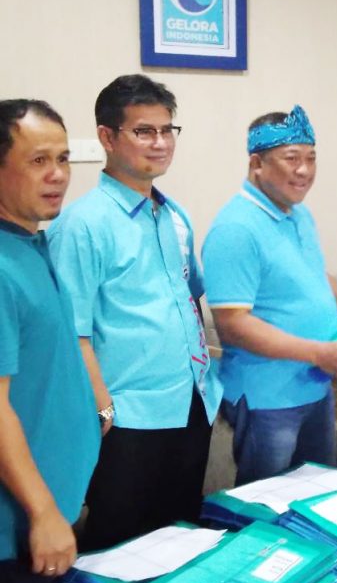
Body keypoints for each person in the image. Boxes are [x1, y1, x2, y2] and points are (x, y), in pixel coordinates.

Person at [47, 75, 222, 552]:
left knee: (181, 540)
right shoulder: (81, 225)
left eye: (167, 130)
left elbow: (191, 299)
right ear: (107, 137)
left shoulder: (172, 214)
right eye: (144, 131)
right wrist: (103, 410)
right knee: (120, 551)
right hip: (128, 419)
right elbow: (71, 333)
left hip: (191, 403)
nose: (160, 143)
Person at [202, 107, 337, 485]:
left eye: (311, 158)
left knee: (317, 494)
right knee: (266, 504)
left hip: (314, 385)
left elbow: (312, 275)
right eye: (292, 158)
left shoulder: (298, 214)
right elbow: (232, 325)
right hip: (267, 398)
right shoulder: (235, 229)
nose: (305, 170)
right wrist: (318, 352)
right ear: (257, 163)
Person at [0, 100, 100, 583]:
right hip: (15, 526)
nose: (58, 174)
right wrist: (42, 513)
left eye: (63, 159)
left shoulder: (33, 242)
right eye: (38, 160)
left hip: (47, 507)